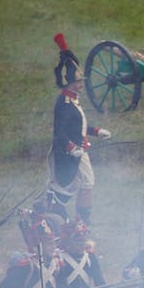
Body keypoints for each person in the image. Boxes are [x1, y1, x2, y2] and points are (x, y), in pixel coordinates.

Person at [50, 33, 110, 224]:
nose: (82, 84)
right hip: (71, 151)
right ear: (70, 83)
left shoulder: (72, 100)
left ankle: (73, 217)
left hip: (79, 148)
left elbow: (79, 126)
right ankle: (82, 220)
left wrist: (96, 131)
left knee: (78, 183)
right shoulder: (65, 103)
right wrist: (71, 148)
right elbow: (60, 132)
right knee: (86, 182)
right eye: (78, 82)